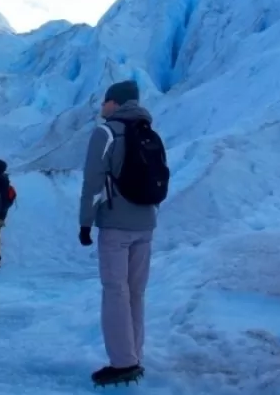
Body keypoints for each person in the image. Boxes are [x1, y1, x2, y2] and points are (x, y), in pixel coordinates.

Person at [78, 79, 169, 386]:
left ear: (116, 103)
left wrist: (85, 223)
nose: (102, 105)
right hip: (146, 225)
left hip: (116, 226)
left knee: (115, 291)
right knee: (135, 292)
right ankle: (134, 355)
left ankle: (122, 362)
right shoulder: (149, 132)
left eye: (106, 100)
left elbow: (92, 182)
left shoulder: (105, 132)